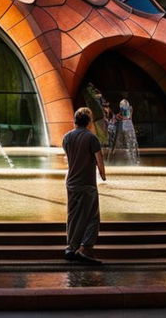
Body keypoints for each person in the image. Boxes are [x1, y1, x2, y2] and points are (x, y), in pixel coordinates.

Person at [62, 106, 106, 265]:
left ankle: (71, 247)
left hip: (71, 182)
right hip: (87, 183)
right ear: (88, 121)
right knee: (92, 216)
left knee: (73, 215)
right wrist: (103, 174)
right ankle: (85, 248)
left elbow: (68, 158)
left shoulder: (66, 137)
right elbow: (99, 159)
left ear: (75, 121)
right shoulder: (91, 138)